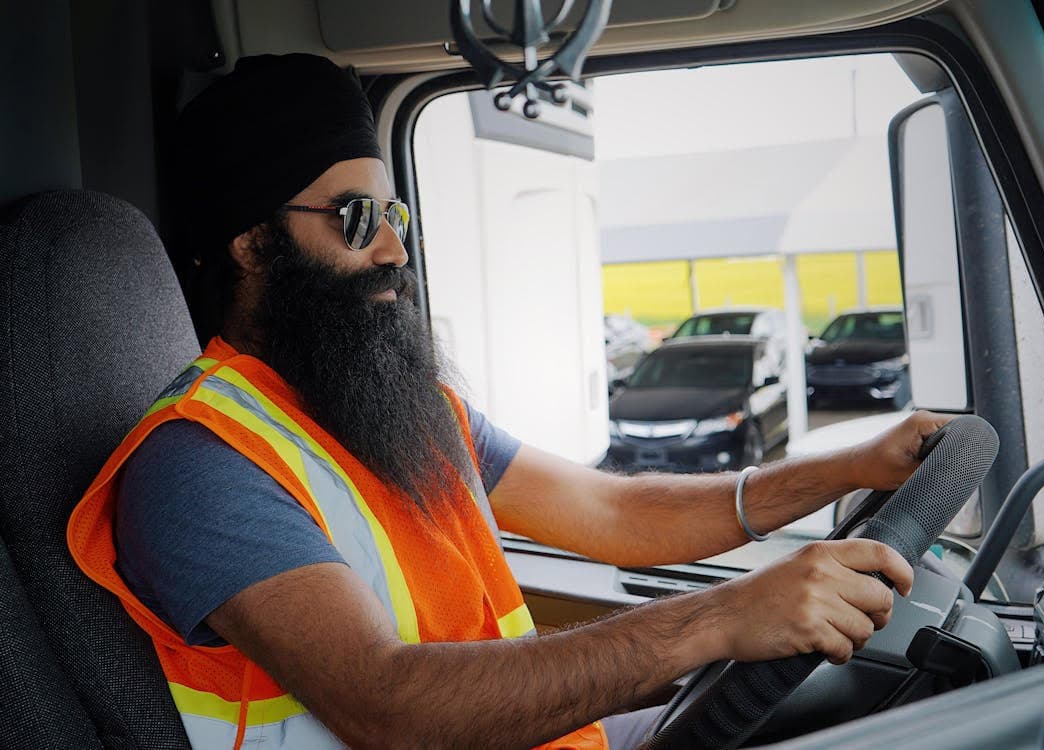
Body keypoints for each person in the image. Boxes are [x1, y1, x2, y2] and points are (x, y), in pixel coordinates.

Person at [69, 54, 938, 750]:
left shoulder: (396, 409)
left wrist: (850, 467)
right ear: (254, 244)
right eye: (356, 217)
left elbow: (617, 509)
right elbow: (387, 707)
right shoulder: (198, 462)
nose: (391, 253)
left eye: (396, 216)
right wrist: (717, 619)